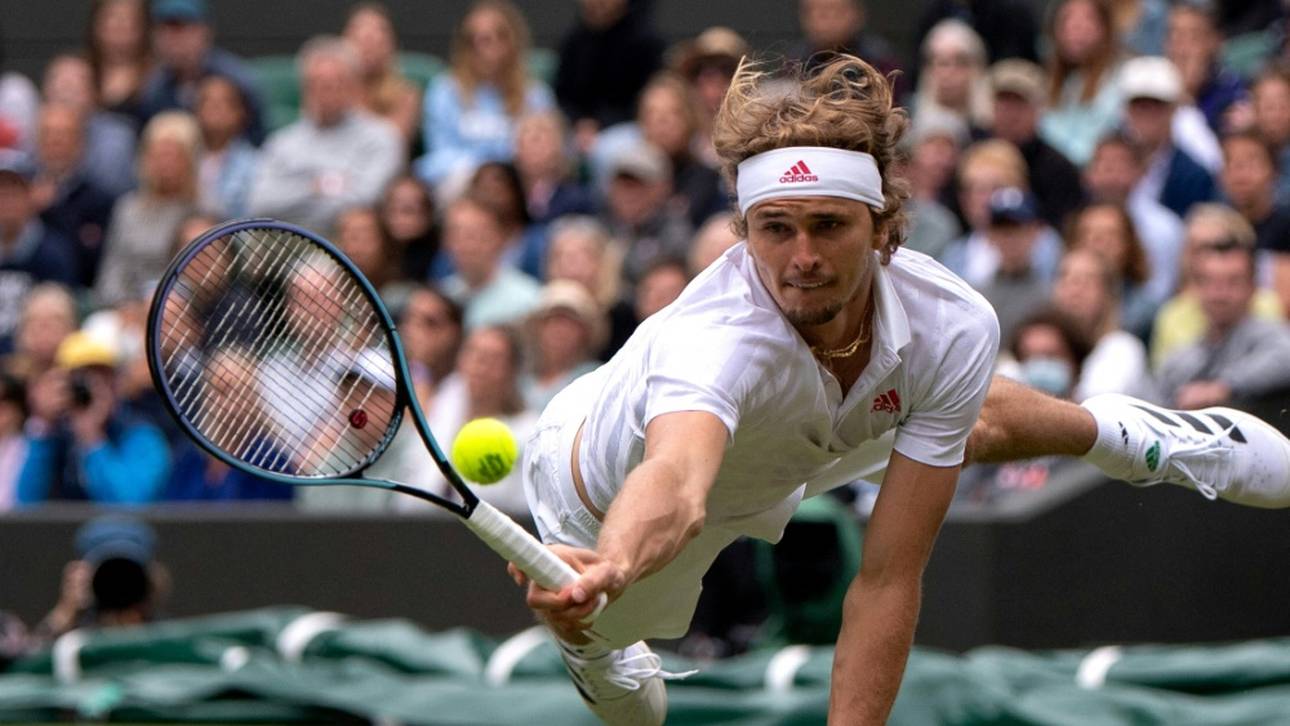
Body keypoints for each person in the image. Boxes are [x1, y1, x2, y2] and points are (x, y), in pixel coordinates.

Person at [507, 55, 1290, 726]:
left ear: (883, 225)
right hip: (598, 513)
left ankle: (1136, 439)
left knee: (954, 408)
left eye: (829, 225)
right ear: (744, 233)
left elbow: (886, 579)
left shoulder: (952, 321)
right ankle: (598, 643)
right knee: (635, 701)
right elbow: (677, 482)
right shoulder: (712, 343)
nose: (802, 256)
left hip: (798, 442)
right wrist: (607, 567)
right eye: (775, 227)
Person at [248, 35, 401, 236]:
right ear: (305, 88)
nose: (326, 92)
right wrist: (315, 188)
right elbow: (259, 203)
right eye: (318, 83)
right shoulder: (281, 142)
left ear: (354, 86)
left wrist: (294, 199)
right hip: (285, 243)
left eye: (336, 83)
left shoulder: (382, 137)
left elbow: (367, 200)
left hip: (346, 246)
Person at [17, 332, 170, 505]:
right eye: (81, 380)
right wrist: (43, 425)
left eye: (102, 378)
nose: (92, 388)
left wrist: (93, 439)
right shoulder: (53, 434)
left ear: (117, 383)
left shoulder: (140, 434)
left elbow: (129, 504)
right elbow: (26, 502)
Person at [416, 0, 553, 187]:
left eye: (496, 38)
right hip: (463, 182)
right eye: (476, 41)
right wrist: (482, 170)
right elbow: (439, 154)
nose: (487, 49)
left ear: (511, 42)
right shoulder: (444, 91)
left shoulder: (535, 94)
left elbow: (549, 152)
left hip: (519, 185)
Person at [1154, 237, 1290, 409]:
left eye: (1232, 282)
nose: (1220, 294)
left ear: (1252, 287)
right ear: (1195, 288)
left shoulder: (1273, 336)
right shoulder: (1180, 360)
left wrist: (1224, 387)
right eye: (1209, 282)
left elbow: (1286, 358)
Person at [1150, 203, 1285, 368]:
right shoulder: (1172, 314)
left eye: (1214, 246)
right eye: (1195, 248)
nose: (1204, 256)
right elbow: (1164, 376)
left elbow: (1278, 361)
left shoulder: (1266, 303)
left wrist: (1223, 386)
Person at [94, 111, 199, 306]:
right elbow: (113, 269)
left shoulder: (202, 212)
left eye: (174, 155)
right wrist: (125, 306)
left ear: (190, 160)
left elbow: (205, 278)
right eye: (158, 155)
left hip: (182, 312)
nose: (165, 164)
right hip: (127, 308)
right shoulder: (127, 208)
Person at [139, 0, 266, 145]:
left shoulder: (236, 80)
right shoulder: (154, 86)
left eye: (181, 28)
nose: (173, 40)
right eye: (165, 30)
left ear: (205, 31)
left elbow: (258, 142)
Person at [1083, 132, 1186, 300]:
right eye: (1102, 164)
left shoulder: (1164, 228)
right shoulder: (1079, 221)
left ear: (1140, 171)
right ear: (1088, 174)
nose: (1110, 174)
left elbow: (1162, 292)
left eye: (1119, 164)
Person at [985, 59, 1085, 229]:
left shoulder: (1058, 169)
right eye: (1004, 102)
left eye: (1019, 103)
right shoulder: (973, 154)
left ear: (1038, 109)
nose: (1010, 113)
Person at [554, 0, 665, 148]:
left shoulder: (647, 42)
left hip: (629, 127)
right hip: (576, 128)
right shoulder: (573, 40)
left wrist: (600, 124)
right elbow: (562, 95)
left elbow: (648, 99)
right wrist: (579, 122)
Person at [29, 103, 117, 287]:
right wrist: (29, 210)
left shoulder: (100, 201)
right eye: (48, 133)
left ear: (80, 143)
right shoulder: (16, 189)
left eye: (63, 134)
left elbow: (93, 263)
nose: (55, 141)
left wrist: (54, 208)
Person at [0, 151, 78, 350]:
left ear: (30, 196)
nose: (7, 203)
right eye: (2, 194)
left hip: (30, 359)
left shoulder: (53, 252)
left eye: (14, 194)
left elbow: (62, 320)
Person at [1051, 247, 1150, 401]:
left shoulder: (1122, 348)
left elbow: (1093, 408)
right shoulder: (1038, 344)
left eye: (1086, 281)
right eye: (1065, 279)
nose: (1074, 290)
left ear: (1108, 294)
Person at [40, 53, 138, 198]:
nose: (66, 97)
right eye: (61, 87)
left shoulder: (118, 137)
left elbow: (110, 190)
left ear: (94, 93)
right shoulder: (36, 127)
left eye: (74, 88)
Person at [1040, 0, 1125, 166]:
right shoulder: (1056, 84)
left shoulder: (1120, 81)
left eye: (1087, 20)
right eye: (1067, 20)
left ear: (1105, 29)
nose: (1076, 28)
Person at [439, 194, 541, 329]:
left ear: (499, 239)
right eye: (456, 234)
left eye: (474, 235)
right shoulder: (442, 297)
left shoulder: (528, 301)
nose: (464, 245)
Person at [1219, 130, 1290, 311]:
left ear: (1274, 171)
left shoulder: (1286, 227)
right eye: (1231, 163)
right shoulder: (1212, 229)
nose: (1240, 174)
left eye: (1251, 163)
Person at [342, 2, 421, 145]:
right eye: (361, 41)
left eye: (374, 42)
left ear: (389, 45)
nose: (367, 50)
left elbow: (393, 144)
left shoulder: (406, 95)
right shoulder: (332, 91)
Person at [1165, 1, 1248, 135]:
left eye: (1193, 37)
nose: (1181, 50)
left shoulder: (1232, 93)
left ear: (1215, 42)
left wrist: (1188, 94)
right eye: (1174, 36)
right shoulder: (1150, 88)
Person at [522, 280, 606, 411]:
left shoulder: (596, 377)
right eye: (553, 320)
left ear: (586, 333)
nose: (560, 330)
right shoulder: (520, 378)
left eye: (570, 323)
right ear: (537, 328)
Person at [792, 0, 903, 98]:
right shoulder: (795, 63)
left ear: (857, 13)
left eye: (836, 11)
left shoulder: (880, 62)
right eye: (818, 12)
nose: (826, 21)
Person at [194, 73, 257, 219]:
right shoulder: (183, 157)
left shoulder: (256, 163)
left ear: (240, 113)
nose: (215, 109)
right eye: (207, 102)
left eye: (224, 103)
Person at [86, 0, 153, 123]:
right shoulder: (81, 73)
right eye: (113, 19)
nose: (120, 26)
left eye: (128, 20)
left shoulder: (157, 77)